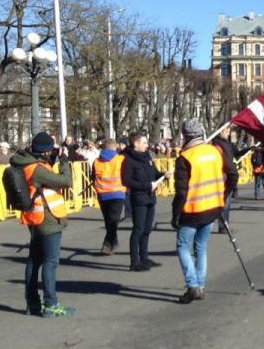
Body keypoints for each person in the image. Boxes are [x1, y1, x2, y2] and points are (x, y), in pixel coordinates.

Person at [171, 120, 238, 304]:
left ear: (185, 135)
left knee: (183, 247)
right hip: (212, 206)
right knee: (200, 247)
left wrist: (175, 214)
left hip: (192, 209)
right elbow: (233, 174)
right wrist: (223, 194)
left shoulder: (185, 157)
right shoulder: (215, 152)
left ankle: (192, 285)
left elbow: (181, 191)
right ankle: (199, 285)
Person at [11, 132, 74, 317]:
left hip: (34, 217)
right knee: (50, 262)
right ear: (45, 151)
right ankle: (51, 304)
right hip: (48, 219)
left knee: (34, 261)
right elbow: (65, 181)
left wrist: (53, 157)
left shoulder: (25, 163)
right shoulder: (36, 169)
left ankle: (33, 303)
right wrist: (64, 160)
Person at [122, 131, 171, 272]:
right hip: (139, 198)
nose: (146, 145)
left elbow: (153, 173)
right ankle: (134, 261)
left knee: (147, 229)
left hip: (150, 197)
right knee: (138, 229)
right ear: (136, 144)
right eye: (143, 142)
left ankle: (144, 258)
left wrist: (163, 175)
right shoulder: (128, 159)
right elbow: (127, 180)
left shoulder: (146, 157)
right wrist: (147, 185)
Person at [93, 138, 127, 255]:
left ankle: (113, 241)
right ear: (115, 147)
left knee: (109, 220)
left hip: (102, 194)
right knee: (113, 221)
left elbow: (93, 177)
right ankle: (107, 244)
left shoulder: (96, 161)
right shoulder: (121, 159)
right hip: (117, 193)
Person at [213, 125, 237, 233]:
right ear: (220, 132)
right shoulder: (217, 144)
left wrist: (249, 149)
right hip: (222, 174)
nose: (228, 133)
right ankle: (223, 226)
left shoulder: (228, 144)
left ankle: (225, 224)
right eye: (226, 131)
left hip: (228, 174)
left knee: (227, 202)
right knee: (225, 201)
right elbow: (224, 161)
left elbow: (236, 154)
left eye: (229, 131)